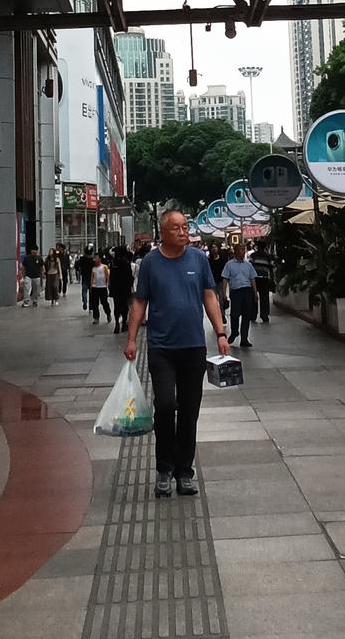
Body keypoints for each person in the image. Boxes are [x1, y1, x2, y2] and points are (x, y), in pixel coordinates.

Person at [125, 211, 230, 497]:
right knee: (165, 405)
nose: (183, 232)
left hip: (193, 346)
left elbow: (209, 295)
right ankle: (164, 468)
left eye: (185, 227)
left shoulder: (198, 259)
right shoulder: (150, 262)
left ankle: (184, 471)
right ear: (163, 232)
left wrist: (220, 332)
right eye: (176, 228)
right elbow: (140, 301)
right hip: (161, 348)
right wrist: (131, 339)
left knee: (189, 410)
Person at [222, 242, 259, 348]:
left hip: (247, 291)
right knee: (234, 314)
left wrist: (255, 292)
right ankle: (234, 332)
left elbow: (252, 279)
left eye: (244, 250)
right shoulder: (229, 265)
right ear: (235, 251)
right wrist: (224, 293)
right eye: (241, 249)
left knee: (246, 316)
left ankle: (244, 339)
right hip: (236, 292)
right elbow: (225, 279)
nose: (243, 252)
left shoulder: (248, 265)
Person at [108, 245, 134, 334]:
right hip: (125, 289)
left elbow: (111, 276)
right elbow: (130, 277)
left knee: (117, 306)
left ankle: (116, 324)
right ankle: (124, 324)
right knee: (124, 306)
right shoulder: (126, 263)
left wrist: (111, 286)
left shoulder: (113, 263)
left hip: (115, 289)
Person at [250, 241, 274, 323]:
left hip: (254, 279)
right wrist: (272, 279)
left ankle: (253, 315)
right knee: (264, 298)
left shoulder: (253, 255)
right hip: (264, 279)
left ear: (257, 246)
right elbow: (271, 269)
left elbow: (250, 267)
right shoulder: (268, 256)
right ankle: (264, 316)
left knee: (254, 297)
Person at [207, 243, 228, 319]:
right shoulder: (209, 260)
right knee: (214, 301)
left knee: (222, 299)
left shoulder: (222, 259)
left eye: (215, 247)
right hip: (212, 282)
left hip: (221, 281)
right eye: (212, 247)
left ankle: (223, 315)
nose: (214, 249)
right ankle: (216, 316)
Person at [89, 255, 111, 325]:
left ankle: (108, 313)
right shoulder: (93, 268)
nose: (95, 260)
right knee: (95, 303)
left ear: (100, 259)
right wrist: (91, 286)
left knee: (104, 302)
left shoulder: (104, 267)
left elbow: (107, 276)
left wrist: (107, 285)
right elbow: (92, 278)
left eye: (96, 258)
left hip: (103, 287)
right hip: (95, 287)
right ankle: (96, 317)